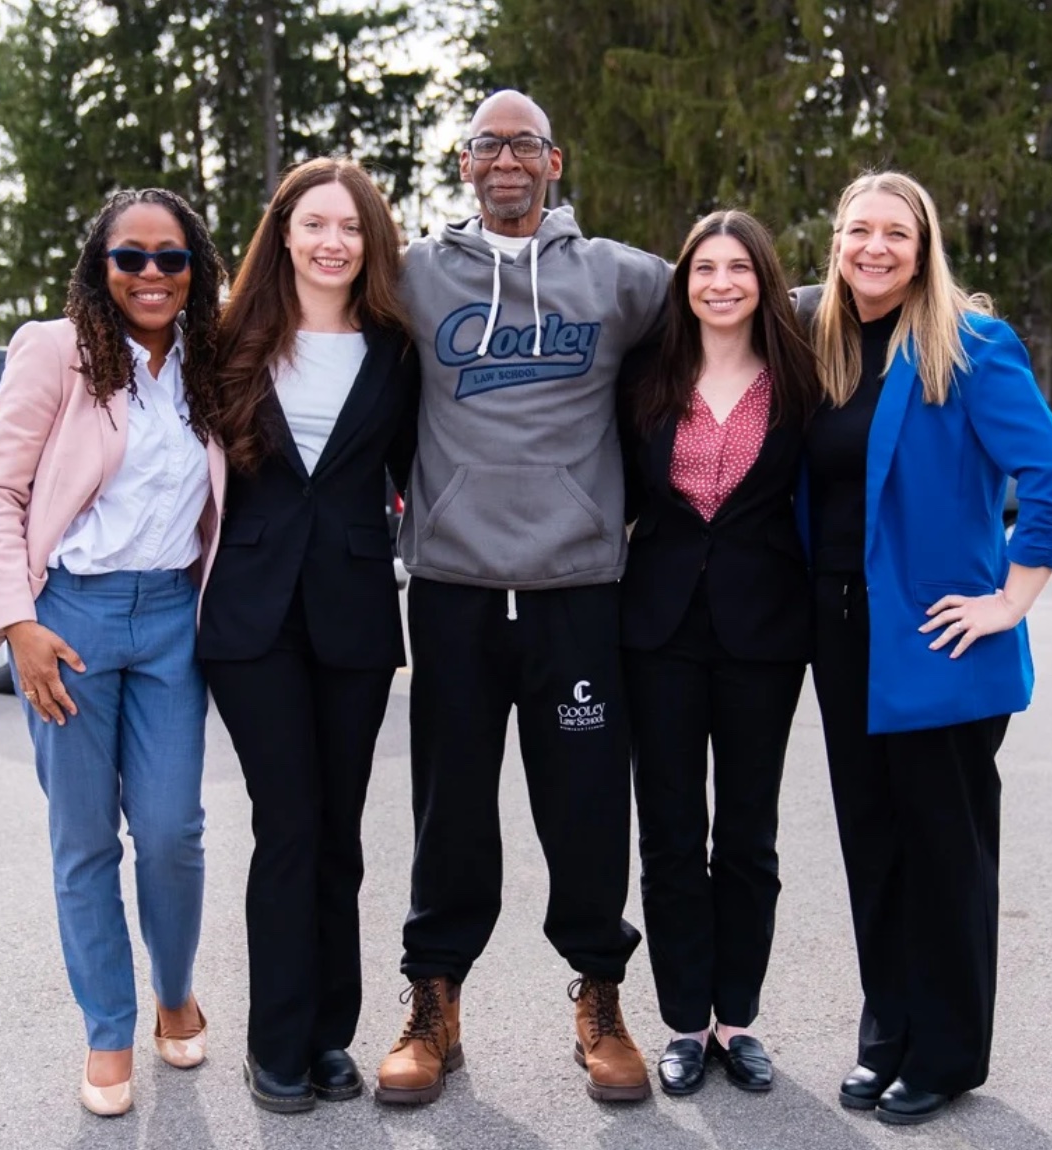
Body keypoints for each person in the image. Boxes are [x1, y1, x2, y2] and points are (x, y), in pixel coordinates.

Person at [374, 89, 671, 1106]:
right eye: (487, 144)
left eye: (525, 144)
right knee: (447, 809)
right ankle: (433, 1004)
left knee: (587, 809)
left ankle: (600, 995)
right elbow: (304, 306)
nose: (506, 159)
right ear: (463, 164)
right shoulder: (412, 276)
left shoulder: (619, 279)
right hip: (454, 588)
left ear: (555, 160)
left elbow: (740, 299)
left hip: (576, 590)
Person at [0, 189, 229, 1116]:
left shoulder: (210, 360)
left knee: (174, 831)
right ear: (99, 265)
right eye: (130, 256)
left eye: (170, 258)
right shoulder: (54, 350)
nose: (150, 274)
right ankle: (108, 1027)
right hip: (71, 619)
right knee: (84, 838)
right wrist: (17, 622)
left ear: (195, 269)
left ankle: (173, 990)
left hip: (175, 620)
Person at [798, 171, 1052, 1125]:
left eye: (897, 235)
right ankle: (888, 1036)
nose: (875, 248)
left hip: (937, 639)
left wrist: (1010, 600)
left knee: (944, 857)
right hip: (839, 634)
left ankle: (948, 1054)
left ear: (924, 252)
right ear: (836, 241)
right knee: (872, 847)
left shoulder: (968, 345)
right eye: (859, 231)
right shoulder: (822, 347)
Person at [197, 158, 418, 1113]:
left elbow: (430, 468)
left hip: (356, 614)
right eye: (315, 223)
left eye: (352, 227)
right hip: (250, 617)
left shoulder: (398, 350)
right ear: (282, 233)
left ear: (371, 243)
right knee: (288, 823)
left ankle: (333, 1035)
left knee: (341, 833)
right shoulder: (225, 339)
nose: (334, 241)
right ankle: (275, 1042)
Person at [617, 211, 819, 1096]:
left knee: (747, 833)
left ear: (764, 281)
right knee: (668, 834)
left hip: (764, 633)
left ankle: (737, 1017)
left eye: (740, 268)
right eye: (706, 268)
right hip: (656, 629)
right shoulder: (646, 375)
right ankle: (684, 1022)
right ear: (684, 281)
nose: (722, 282)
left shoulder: (803, 378)